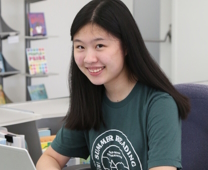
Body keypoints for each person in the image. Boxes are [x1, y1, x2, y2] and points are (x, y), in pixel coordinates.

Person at [36, 0, 190, 169]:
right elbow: (50, 158)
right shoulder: (90, 99)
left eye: (99, 45)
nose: (88, 58)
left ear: (126, 46)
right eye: (80, 46)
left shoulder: (159, 104)